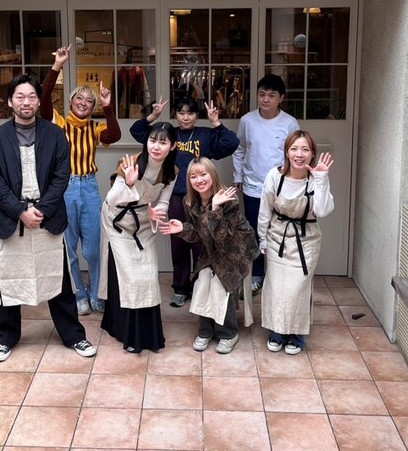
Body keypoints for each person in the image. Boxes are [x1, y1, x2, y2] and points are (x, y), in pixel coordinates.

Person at [0, 72, 96, 362]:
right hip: (13, 220)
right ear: (10, 101)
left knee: (58, 280)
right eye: (20, 96)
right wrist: (20, 211)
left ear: (38, 101)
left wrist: (42, 209)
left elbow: (61, 176)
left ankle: (73, 335)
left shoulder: (55, 134)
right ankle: (6, 337)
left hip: (48, 217)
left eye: (32, 96)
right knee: (10, 281)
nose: (26, 102)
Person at [130, 95, 238, 307]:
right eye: (181, 113)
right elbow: (137, 131)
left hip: (201, 197)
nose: (186, 117)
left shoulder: (205, 135)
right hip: (176, 195)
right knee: (178, 242)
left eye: (190, 113)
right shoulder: (170, 134)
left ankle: (199, 285)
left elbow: (231, 143)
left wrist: (215, 122)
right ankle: (180, 288)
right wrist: (153, 116)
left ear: (197, 115)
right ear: (175, 115)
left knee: (201, 242)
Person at [40, 45, 121, 316]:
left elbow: (114, 135)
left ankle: (97, 293)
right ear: (71, 101)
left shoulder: (94, 128)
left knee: (94, 248)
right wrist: (57, 66)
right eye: (79, 98)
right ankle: (79, 294)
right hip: (65, 188)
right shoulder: (59, 123)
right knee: (69, 247)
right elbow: (43, 99)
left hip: (89, 187)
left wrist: (108, 107)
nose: (84, 103)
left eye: (89, 101)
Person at [158, 158, 258, 354]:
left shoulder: (228, 199)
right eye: (193, 176)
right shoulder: (190, 202)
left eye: (203, 174)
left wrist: (215, 209)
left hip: (235, 250)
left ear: (212, 175)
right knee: (202, 280)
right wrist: (182, 229)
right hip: (213, 249)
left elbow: (223, 236)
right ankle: (205, 331)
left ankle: (228, 333)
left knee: (221, 282)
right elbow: (199, 233)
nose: (199, 180)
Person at [99, 121, 178, 353]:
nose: (156, 147)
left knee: (148, 274)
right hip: (117, 222)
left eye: (163, 142)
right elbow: (112, 199)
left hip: (144, 221)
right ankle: (123, 330)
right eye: (152, 140)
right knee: (127, 276)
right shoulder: (130, 163)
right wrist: (129, 182)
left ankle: (147, 333)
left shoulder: (172, 172)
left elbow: (163, 202)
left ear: (172, 146)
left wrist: (157, 213)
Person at [258, 130, 334, 355]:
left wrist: (322, 179)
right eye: (294, 149)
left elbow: (322, 210)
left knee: (298, 289)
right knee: (276, 287)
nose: (299, 154)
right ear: (286, 152)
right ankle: (276, 331)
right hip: (277, 236)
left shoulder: (316, 178)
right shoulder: (275, 175)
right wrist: (262, 238)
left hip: (306, 239)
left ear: (312, 154)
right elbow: (265, 209)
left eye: (305, 149)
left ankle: (296, 334)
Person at [233, 74, 299, 296]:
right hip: (252, 186)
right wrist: (238, 176)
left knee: (280, 229)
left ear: (281, 98)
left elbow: (295, 154)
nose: (266, 99)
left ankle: (279, 274)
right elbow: (240, 149)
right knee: (254, 232)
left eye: (271, 95)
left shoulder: (289, 123)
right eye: (262, 94)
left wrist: (293, 182)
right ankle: (257, 275)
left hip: (281, 187)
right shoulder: (247, 120)